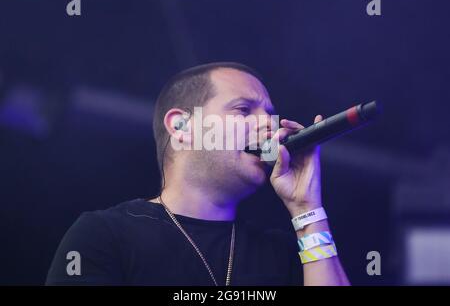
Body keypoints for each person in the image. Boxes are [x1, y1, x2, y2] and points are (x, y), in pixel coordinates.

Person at [46, 62, 350, 286]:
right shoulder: (106, 235)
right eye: (243, 110)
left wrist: (307, 210)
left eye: (270, 114)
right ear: (181, 127)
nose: (270, 125)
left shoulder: (282, 253)